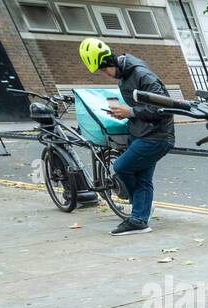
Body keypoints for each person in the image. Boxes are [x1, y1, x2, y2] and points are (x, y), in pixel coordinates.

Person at [78, 37, 175, 235]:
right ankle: (140, 219)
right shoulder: (125, 75)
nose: (105, 75)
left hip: (157, 137)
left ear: (110, 62)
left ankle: (140, 209)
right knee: (143, 179)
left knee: (121, 166)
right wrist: (124, 113)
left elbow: (165, 108)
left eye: (104, 70)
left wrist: (129, 112)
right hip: (142, 133)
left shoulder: (141, 74)